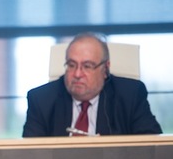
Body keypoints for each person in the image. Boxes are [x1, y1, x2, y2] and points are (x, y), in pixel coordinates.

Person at [22, 32, 162, 137]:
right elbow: (32, 157)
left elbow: (150, 148)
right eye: (71, 65)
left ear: (105, 69)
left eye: (87, 66)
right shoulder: (41, 99)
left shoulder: (130, 95)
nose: (77, 74)